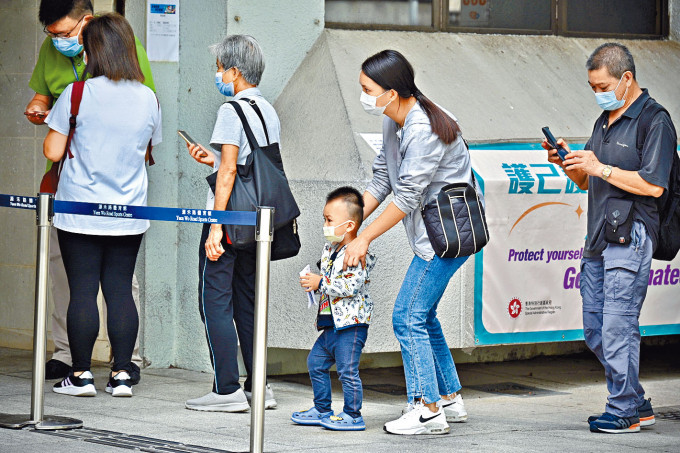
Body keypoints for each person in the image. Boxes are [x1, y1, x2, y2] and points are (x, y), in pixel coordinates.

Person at [543, 43, 676, 434]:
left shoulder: (656, 121)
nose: (596, 92)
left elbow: (653, 185)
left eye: (601, 85)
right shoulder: (604, 120)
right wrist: (569, 162)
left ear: (627, 79)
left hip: (631, 235)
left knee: (619, 324)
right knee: (595, 327)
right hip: (599, 237)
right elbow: (587, 178)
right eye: (591, 86)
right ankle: (635, 400)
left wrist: (599, 166)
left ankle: (622, 411)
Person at [26, 0, 155, 383]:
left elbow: (53, 150)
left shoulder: (77, 94)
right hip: (129, 208)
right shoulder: (148, 98)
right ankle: (121, 374)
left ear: (92, 42)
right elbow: (148, 146)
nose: (62, 42)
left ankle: (79, 375)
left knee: (80, 290)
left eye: (67, 34)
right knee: (119, 291)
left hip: (79, 204)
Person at [343, 50, 470, 435]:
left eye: (368, 89)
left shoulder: (424, 128)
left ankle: (427, 409)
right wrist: (352, 221)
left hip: (443, 237)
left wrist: (363, 237)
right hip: (435, 234)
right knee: (424, 315)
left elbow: (407, 196)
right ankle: (448, 396)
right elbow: (383, 179)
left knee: (407, 316)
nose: (363, 96)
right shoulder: (393, 120)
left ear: (393, 91)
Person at [184, 35, 279, 412]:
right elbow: (249, 170)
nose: (218, 74)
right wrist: (211, 159)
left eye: (220, 67)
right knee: (247, 303)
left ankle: (226, 390)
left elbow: (228, 174)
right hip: (258, 220)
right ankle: (259, 388)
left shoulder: (230, 110)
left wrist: (215, 226)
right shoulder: (268, 110)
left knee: (214, 302)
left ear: (234, 71)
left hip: (228, 219)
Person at [292, 187, 377, 431]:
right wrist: (314, 282)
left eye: (330, 220)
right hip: (332, 325)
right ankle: (322, 408)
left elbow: (351, 285)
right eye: (324, 219)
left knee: (347, 371)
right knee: (315, 363)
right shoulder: (330, 249)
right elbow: (330, 283)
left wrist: (322, 282)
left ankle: (353, 414)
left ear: (350, 226)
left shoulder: (359, 253)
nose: (325, 225)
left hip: (351, 326)